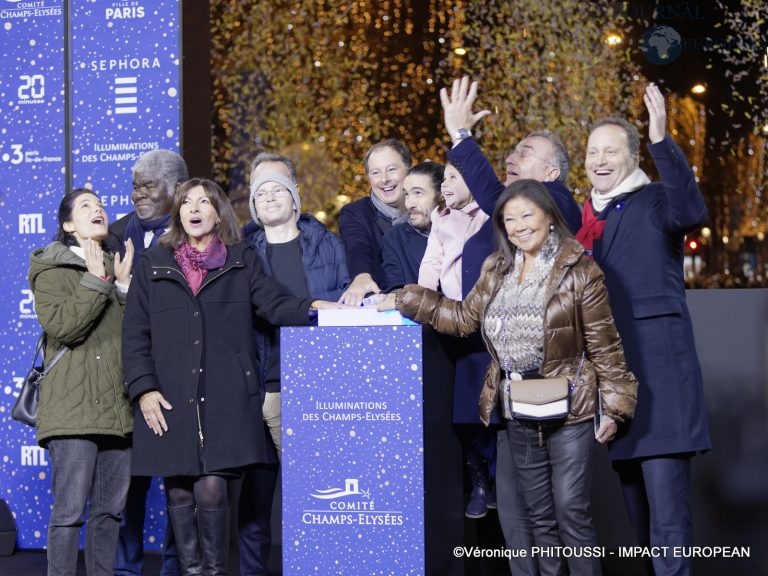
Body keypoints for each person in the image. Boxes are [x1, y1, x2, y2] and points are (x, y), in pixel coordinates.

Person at [379, 179, 638, 575]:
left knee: (571, 513)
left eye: (526, 215)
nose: (518, 225)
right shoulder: (497, 269)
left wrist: (616, 406)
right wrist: (409, 297)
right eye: (509, 218)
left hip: (571, 408)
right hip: (518, 407)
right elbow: (463, 319)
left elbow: (605, 345)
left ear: (549, 218)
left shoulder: (581, 270)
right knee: (539, 518)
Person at [122, 178, 342, 575]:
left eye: (203, 202)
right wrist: (144, 389)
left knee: (211, 487)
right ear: (178, 213)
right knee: (177, 486)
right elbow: (135, 333)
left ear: (217, 212)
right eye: (186, 202)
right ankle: (192, 571)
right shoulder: (152, 263)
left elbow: (274, 304)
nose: (194, 209)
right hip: (169, 395)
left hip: (225, 394)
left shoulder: (241, 259)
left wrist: (319, 308)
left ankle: (214, 571)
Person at [440, 75, 583, 557]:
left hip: (543, 379)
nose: (512, 155)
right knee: (514, 507)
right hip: (497, 376)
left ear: (551, 173)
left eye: (525, 150)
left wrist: (462, 137)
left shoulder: (558, 205)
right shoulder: (502, 214)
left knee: (555, 508)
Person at [577, 83, 711, 576]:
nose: (600, 160)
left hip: (661, 387)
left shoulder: (656, 200)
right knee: (637, 522)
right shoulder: (583, 218)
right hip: (614, 390)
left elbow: (692, 211)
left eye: (611, 151)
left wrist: (661, 140)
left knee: (668, 524)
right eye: (592, 152)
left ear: (634, 157)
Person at [240, 164, 349, 576]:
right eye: (260, 193)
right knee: (254, 501)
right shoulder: (243, 253)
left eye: (277, 190)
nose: (269, 198)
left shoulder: (328, 245)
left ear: (295, 196)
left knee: (315, 497)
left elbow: (345, 302)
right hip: (259, 386)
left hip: (315, 388)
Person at [28, 188, 134, 576]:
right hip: (71, 412)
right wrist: (95, 281)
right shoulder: (50, 270)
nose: (99, 209)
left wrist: (121, 289)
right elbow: (65, 328)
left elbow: (127, 341)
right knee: (69, 513)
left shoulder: (112, 266)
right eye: (87, 206)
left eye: (101, 205)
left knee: (109, 514)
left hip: (117, 412)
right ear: (68, 225)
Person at [108, 148, 188, 576]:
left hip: (178, 377)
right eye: (136, 185)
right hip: (126, 378)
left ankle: (176, 566)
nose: (139, 193)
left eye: (149, 185)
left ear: (175, 190)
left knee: (179, 484)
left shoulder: (195, 233)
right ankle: (126, 569)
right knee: (126, 485)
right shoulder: (114, 234)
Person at [338, 138, 411, 305]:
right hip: (385, 309)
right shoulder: (355, 213)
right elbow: (357, 246)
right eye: (376, 172)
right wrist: (362, 275)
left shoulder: (429, 211)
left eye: (391, 169)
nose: (384, 179)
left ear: (409, 170)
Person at [417, 162, 489, 300]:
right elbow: (431, 262)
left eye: (452, 177)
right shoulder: (441, 219)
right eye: (444, 179)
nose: (444, 184)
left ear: (472, 182)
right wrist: (425, 295)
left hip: (482, 300)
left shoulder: (486, 215)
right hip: (452, 304)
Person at [380, 161, 444, 291]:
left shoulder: (467, 234)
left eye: (418, 193)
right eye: (407, 194)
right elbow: (395, 291)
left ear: (442, 195)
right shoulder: (395, 238)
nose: (409, 204)